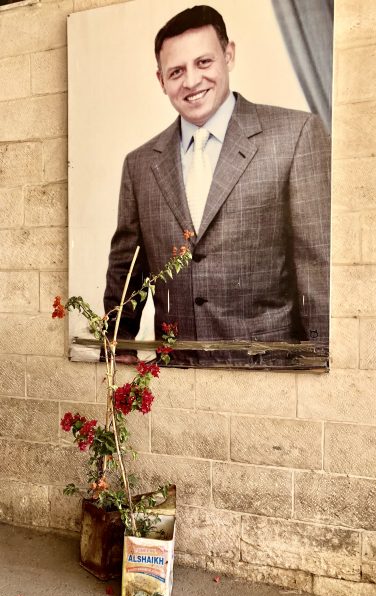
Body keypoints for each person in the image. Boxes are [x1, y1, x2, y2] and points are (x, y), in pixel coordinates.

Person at [104, 5, 331, 367]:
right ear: (161, 80)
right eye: (176, 71)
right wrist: (118, 344)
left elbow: (319, 272)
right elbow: (125, 270)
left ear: (229, 56)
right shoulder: (140, 164)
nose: (191, 81)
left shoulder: (296, 136)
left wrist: (323, 368)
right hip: (175, 378)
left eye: (204, 62)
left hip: (271, 376)